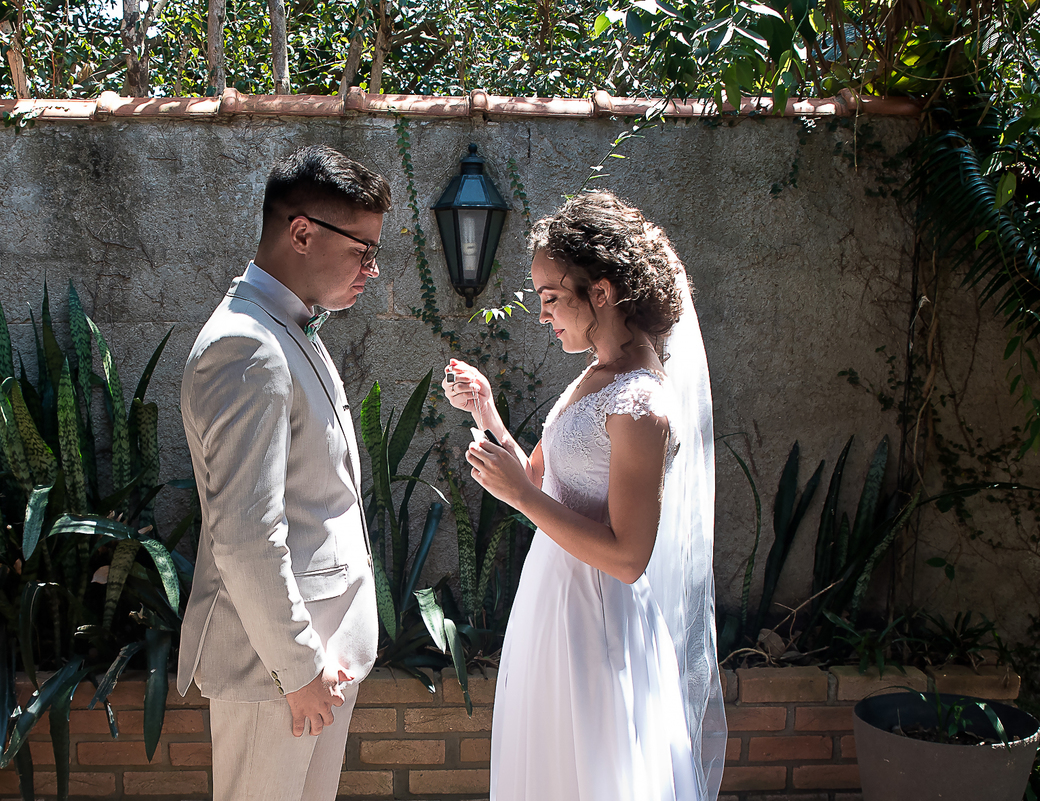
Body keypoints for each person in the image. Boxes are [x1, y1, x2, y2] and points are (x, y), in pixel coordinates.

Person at [443, 191, 726, 800]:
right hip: (552, 602)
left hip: (596, 621)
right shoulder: (597, 375)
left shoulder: (641, 403)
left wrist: (520, 497)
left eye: (550, 297)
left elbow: (627, 558)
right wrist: (486, 410)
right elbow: (540, 479)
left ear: (600, 291)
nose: (542, 313)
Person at [177, 145, 390, 801]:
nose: (372, 269)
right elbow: (245, 533)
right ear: (302, 233)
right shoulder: (248, 345)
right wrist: (297, 669)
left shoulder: (286, 328)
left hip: (314, 666)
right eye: (362, 250)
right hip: (278, 671)